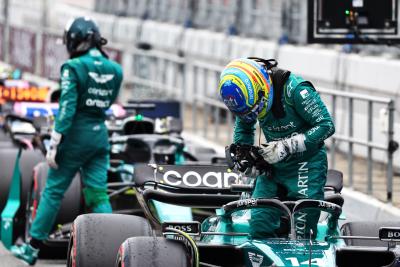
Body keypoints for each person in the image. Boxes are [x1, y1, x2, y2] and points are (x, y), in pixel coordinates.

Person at [11, 17, 123, 265]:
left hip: (74, 137)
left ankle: (32, 249)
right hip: (99, 137)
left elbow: (66, 109)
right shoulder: (115, 69)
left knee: (53, 190)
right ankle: (117, 248)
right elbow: (109, 103)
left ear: (74, 39)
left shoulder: (72, 67)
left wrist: (54, 143)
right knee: (98, 196)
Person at [219, 57, 335, 239]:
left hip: (306, 165)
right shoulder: (247, 99)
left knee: (303, 230)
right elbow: (244, 127)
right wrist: (246, 158)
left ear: (262, 88)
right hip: (273, 165)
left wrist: (288, 146)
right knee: (259, 224)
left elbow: (326, 125)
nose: (253, 115)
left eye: (255, 110)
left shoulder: (296, 90)